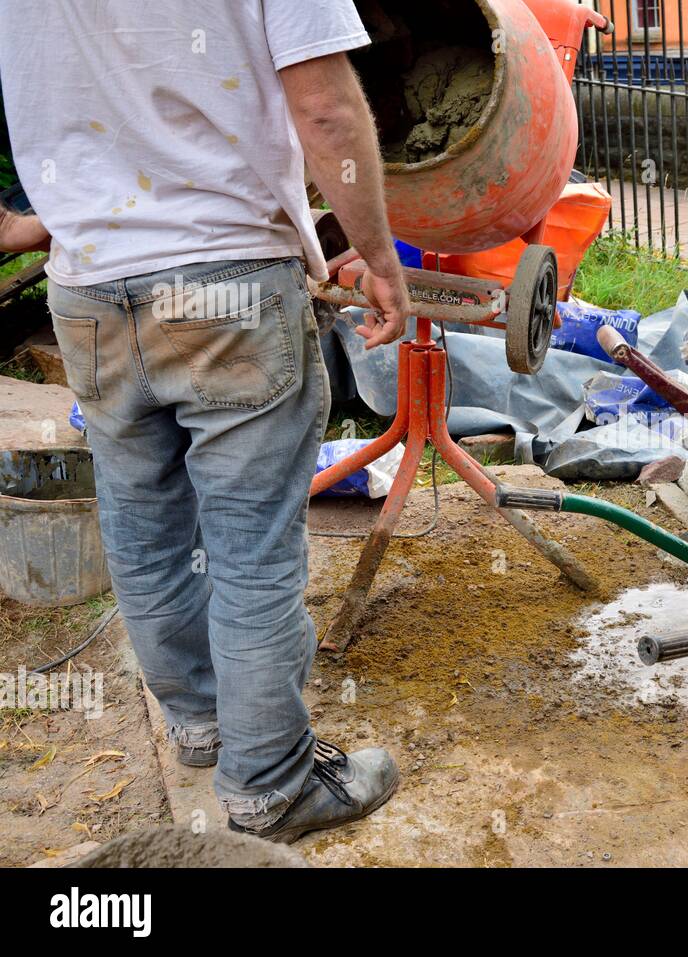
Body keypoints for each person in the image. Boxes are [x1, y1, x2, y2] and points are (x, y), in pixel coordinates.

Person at [0, 0, 411, 843]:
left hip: (88, 287)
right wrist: (376, 255)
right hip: (227, 280)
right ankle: (271, 786)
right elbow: (326, 106)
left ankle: (202, 723)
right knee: (251, 545)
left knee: (144, 524)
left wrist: (50, 218)